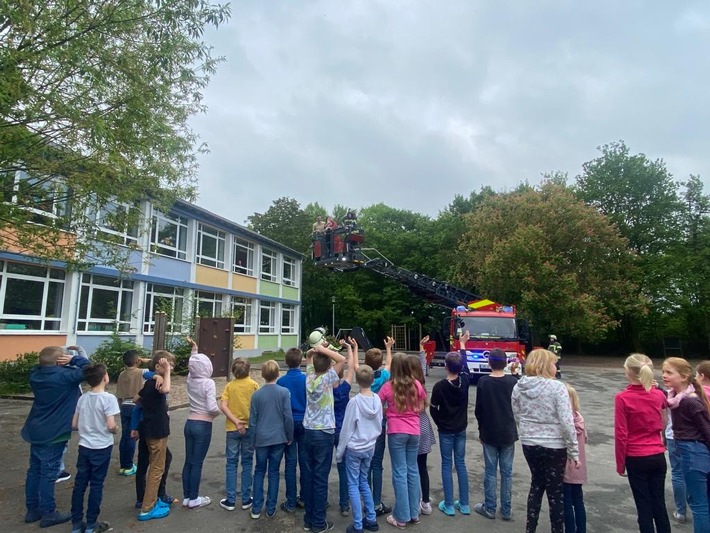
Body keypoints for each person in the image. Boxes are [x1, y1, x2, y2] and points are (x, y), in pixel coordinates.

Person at [22, 345, 90, 528]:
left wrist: (59, 358)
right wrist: (74, 359)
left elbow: (42, 363)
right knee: (48, 474)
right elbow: (90, 370)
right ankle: (48, 513)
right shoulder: (64, 377)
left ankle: (32, 510)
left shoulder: (36, 374)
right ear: (61, 361)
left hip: (36, 429)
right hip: (54, 432)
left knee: (34, 471)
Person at [513, 348, 579, 533]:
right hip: (554, 445)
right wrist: (573, 450)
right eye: (553, 362)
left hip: (529, 443)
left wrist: (527, 431)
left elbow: (516, 413)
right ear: (544, 365)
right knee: (555, 491)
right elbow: (567, 421)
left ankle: (530, 528)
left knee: (536, 484)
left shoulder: (519, 386)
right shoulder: (557, 387)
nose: (555, 366)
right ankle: (557, 529)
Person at [614, 353, 670, 533]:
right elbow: (664, 423)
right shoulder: (658, 396)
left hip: (636, 456)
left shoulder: (622, 398)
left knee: (643, 506)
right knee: (659, 503)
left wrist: (620, 463)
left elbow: (621, 433)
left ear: (628, 372)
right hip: (656, 454)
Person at [302, 341, 347, 533]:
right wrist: (322, 349)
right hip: (324, 432)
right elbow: (342, 359)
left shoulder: (309, 378)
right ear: (328, 366)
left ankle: (308, 519)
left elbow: (308, 359)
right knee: (320, 478)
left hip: (308, 431)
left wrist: (313, 351)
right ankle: (319, 523)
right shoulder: (328, 377)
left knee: (309, 475)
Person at [70, 363, 120, 533]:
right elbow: (111, 425)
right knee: (96, 484)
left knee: (80, 484)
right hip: (101, 446)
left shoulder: (82, 398)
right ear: (105, 377)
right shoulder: (109, 398)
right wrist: (115, 429)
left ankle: (76, 523)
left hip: (84, 446)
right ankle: (92, 524)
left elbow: (74, 424)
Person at [662, 357, 710, 533]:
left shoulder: (689, 401)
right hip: (689, 451)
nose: (664, 375)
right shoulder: (676, 398)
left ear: (684, 377)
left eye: (669, 372)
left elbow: (707, 430)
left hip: (694, 453)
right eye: (663, 372)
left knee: (699, 505)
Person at [379, 352, 426, 529]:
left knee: (399, 472)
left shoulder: (387, 387)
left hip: (396, 431)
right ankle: (414, 513)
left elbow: (377, 406)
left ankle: (401, 516)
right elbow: (421, 407)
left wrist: (389, 413)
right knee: (412, 470)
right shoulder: (416, 384)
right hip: (414, 431)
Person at [336, 364, 383, 533]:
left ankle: (357, 525)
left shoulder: (354, 403)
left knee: (353, 485)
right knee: (363, 481)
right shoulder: (377, 400)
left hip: (355, 448)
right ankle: (371, 518)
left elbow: (346, 429)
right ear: (373, 379)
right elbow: (378, 424)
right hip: (370, 446)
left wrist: (340, 452)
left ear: (356, 380)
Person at [473, 347, 518, 521]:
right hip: (508, 431)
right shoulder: (512, 382)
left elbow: (479, 409)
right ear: (505, 363)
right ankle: (506, 509)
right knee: (507, 472)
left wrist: (480, 429)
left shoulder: (483, 382)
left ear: (489, 363)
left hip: (489, 431)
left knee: (490, 471)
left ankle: (490, 507)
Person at [430, 340, 471, 518]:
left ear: (446, 366)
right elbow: (465, 363)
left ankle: (448, 504)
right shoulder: (465, 380)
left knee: (447, 464)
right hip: (460, 428)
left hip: (446, 429)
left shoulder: (440, 387)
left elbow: (433, 409)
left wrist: (440, 423)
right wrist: (462, 344)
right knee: (460, 464)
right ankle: (464, 503)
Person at [249, 360, 294, 519]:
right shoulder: (283, 392)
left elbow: (252, 420)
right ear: (278, 373)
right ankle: (270, 507)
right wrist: (290, 436)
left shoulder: (256, 395)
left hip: (261, 438)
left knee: (259, 471)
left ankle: (256, 507)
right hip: (278, 437)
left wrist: (251, 440)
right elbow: (287, 416)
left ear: (263, 374)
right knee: (274, 472)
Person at [182, 337, 220, 509]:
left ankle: (186, 496)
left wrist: (194, 349)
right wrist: (218, 413)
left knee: (189, 461)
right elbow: (212, 407)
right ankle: (194, 498)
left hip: (189, 422)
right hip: (203, 424)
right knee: (197, 462)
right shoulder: (208, 383)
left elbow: (193, 365)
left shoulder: (190, 379)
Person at [136, 352, 174, 521]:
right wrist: (166, 373)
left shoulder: (151, 382)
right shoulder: (158, 382)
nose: (170, 368)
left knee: (164, 459)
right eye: (168, 365)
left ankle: (152, 499)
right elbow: (166, 389)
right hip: (157, 430)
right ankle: (147, 507)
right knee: (157, 469)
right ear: (158, 366)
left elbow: (137, 399)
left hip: (148, 427)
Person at [219, 357, 259, 511]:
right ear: (249, 370)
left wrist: (236, 421)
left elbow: (223, 406)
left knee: (231, 462)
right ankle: (246, 498)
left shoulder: (230, 386)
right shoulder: (254, 385)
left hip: (232, 428)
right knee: (248, 462)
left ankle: (230, 499)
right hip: (249, 428)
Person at [366, 337, 395, 517]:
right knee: (377, 464)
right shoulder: (385, 376)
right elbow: (389, 365)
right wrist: (388, 348)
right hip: (380, 424)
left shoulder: (365, 377)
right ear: (380, 363)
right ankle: (376, 503)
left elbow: (354, 368)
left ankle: (366, 500)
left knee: (366, 466)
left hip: (365, 426)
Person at [277, 347, 307, 512]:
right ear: (301, 361)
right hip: (304, 422)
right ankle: (304, 497)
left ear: (286, 362)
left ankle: (290, 501)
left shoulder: (281, 382)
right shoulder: (306, 379)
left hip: (287, 424)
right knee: (304, 461)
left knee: (289, 463)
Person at [407, 346, 436, 516]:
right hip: (424, 426)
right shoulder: (421, 382)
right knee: (422, 467)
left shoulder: (404, 385)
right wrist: (421, 350)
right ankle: (425, 501)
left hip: (410, 427)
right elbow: (423, 367)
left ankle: (412, 500)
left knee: (409, 467)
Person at [116, 350, 152, 476]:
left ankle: (123, 465)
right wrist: (146, 361)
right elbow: (155, 370)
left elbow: (118, 394)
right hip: (136, 406)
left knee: (125, 436)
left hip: (124, 405)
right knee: (133, 435)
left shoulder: (122, 374)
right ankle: (129, 465)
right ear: (137, 360)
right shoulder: (142, 372)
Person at [334, 338, 358, 517]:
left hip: (326, 429)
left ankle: (317, 500)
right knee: (343, 468)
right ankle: (344, 504)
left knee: (321, 466)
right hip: (342, 431)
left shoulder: (324, 387)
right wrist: (350, 348)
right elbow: (351, 368)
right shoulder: (344, 388)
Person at [562, 384, 588, 533]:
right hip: (579, 468)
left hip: (566, 468)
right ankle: (581, 529)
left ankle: (570, 529)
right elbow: (585, 439)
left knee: (566, 502)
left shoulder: (564, 423)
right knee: (578, 501)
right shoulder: (580, 419)